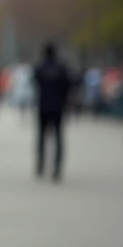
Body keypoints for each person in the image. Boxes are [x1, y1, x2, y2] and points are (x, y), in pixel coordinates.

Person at [32, 42, 74, 181]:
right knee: (58, 137)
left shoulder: (40, 67)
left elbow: (35, 83)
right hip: (58, 107)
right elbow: (69, 86)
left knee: (41, 137)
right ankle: (57, 167)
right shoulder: (62, 68)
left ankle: (41, 164)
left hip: (43, 106)